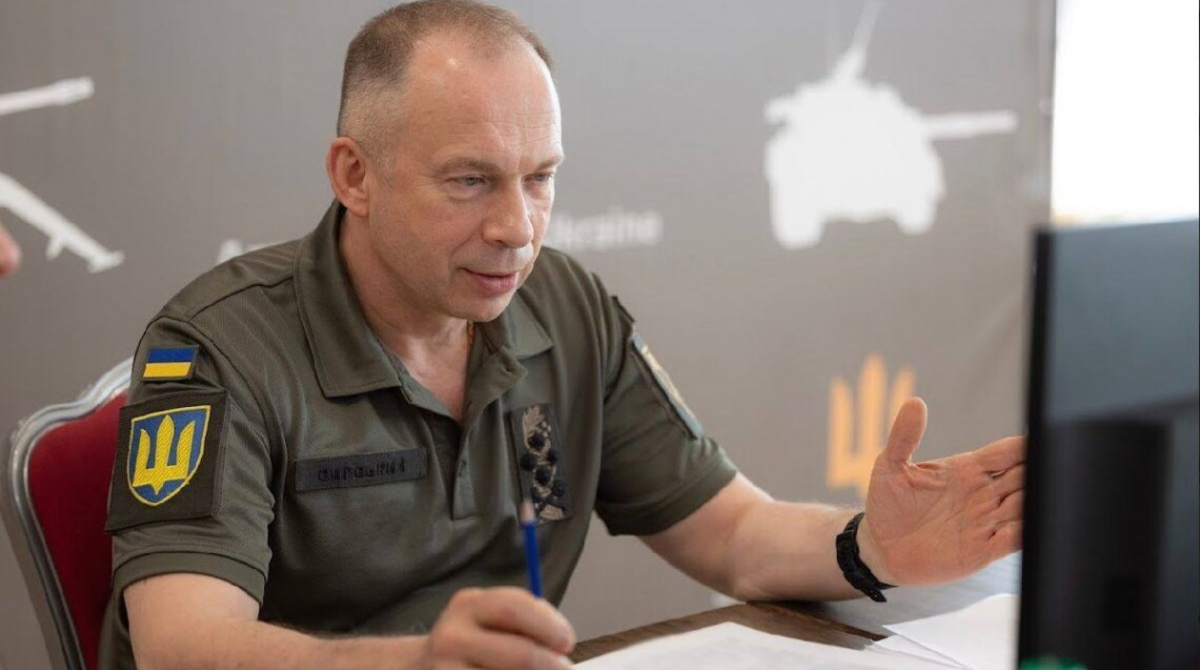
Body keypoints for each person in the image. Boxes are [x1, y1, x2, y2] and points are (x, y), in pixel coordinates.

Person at [100, 2, 1025, 669]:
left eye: (540, 178)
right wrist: (418, 664)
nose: (518, 228)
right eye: (470, 181)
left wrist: (871, 549)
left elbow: (733, 533)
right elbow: (183, 645)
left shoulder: (563, 304)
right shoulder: (216, 347)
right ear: (355, 175)